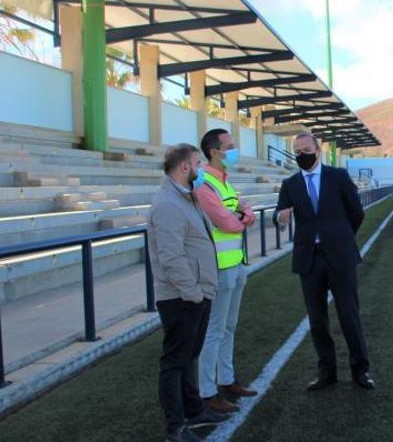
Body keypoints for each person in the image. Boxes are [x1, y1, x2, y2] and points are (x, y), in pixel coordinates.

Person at [273, 132, 374, 391]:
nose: (301, 155)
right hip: (309, 259)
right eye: (296, 152)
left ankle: (360, 371)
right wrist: (280, 218)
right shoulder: (290, 184)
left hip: (340, 257)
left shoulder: (337, 177)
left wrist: (339, 239)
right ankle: (326, 372)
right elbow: (280, 213)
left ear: (317, 150)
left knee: (349, 315)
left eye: (305, 150)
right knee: (317, 320)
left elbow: (356, 213)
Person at [147, 144, 229, 442]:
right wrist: (192, 292)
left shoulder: (187, 197)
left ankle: (194, 411)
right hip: (181, 297)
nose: (201, 169)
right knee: (175, 362)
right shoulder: (168, 204)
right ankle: (175, 427)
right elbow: (171, 257)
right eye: (197, 163)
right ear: (185, 167)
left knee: (189, 356)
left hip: (197, 292)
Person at [194, 129, 259, 413]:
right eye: (230, 147)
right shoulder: (204, 182)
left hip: (237, 263)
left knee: (229, 327)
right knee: (215, 329)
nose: (234, 151)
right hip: (219, 268)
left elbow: (245, 214)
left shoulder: (225, 182)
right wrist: (242, 216)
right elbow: (226, 222)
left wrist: (242, 215)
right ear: (214, 151)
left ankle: (227, 379)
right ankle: (208, 391)